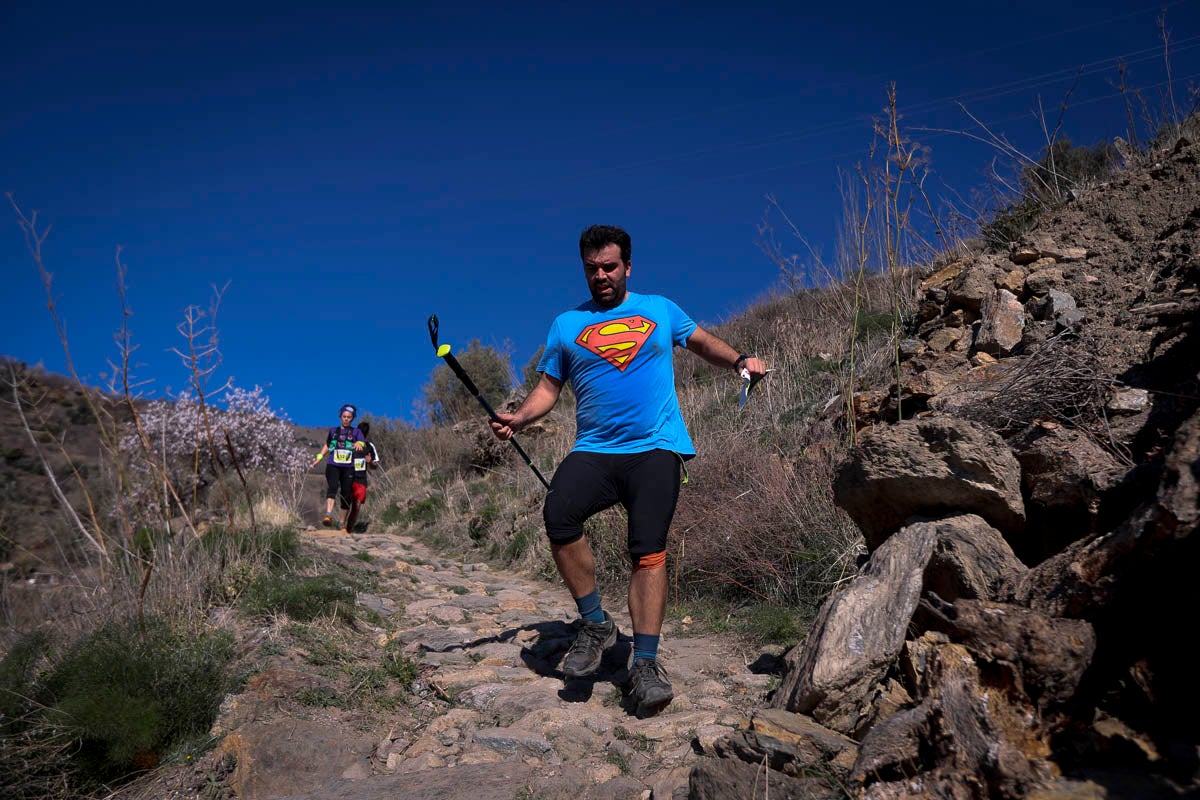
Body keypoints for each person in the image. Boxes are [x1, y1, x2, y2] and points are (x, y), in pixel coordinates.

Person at [490, 224, 767, 718]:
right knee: (559, 514)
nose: (601, 275)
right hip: (595, 448)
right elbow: (549, 390)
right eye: (592, 268)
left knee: (648, 551)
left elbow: (701, 342)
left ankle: (644, 662)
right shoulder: (566, 324)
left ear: (627, 267)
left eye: (610, 267)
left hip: (656, 448)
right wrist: (520, 417)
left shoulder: (659, 308)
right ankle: (596, 624)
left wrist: (740, 360)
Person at [311, 404, 366, 530]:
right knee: (333, 487)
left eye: (349, 417)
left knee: (346, 493)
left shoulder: (356, 432)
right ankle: (328, 515)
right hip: (333, 464)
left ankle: (342, 522)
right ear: (340, 417)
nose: (346, 419)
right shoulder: (333, 431)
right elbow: (327, 445)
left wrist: (358, 443)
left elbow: (362, 443)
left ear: (352, 419)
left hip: (349, 467)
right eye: (344, 416)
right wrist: (318, 459)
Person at [345, 421, 381, 533]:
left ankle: (349, 528)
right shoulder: (349, 445)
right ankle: (341, 524)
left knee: (357, 505)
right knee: (346, 503)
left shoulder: (370, 447)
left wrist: (370, 462)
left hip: (361, 480)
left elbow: (375, 466)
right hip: (347, 478)